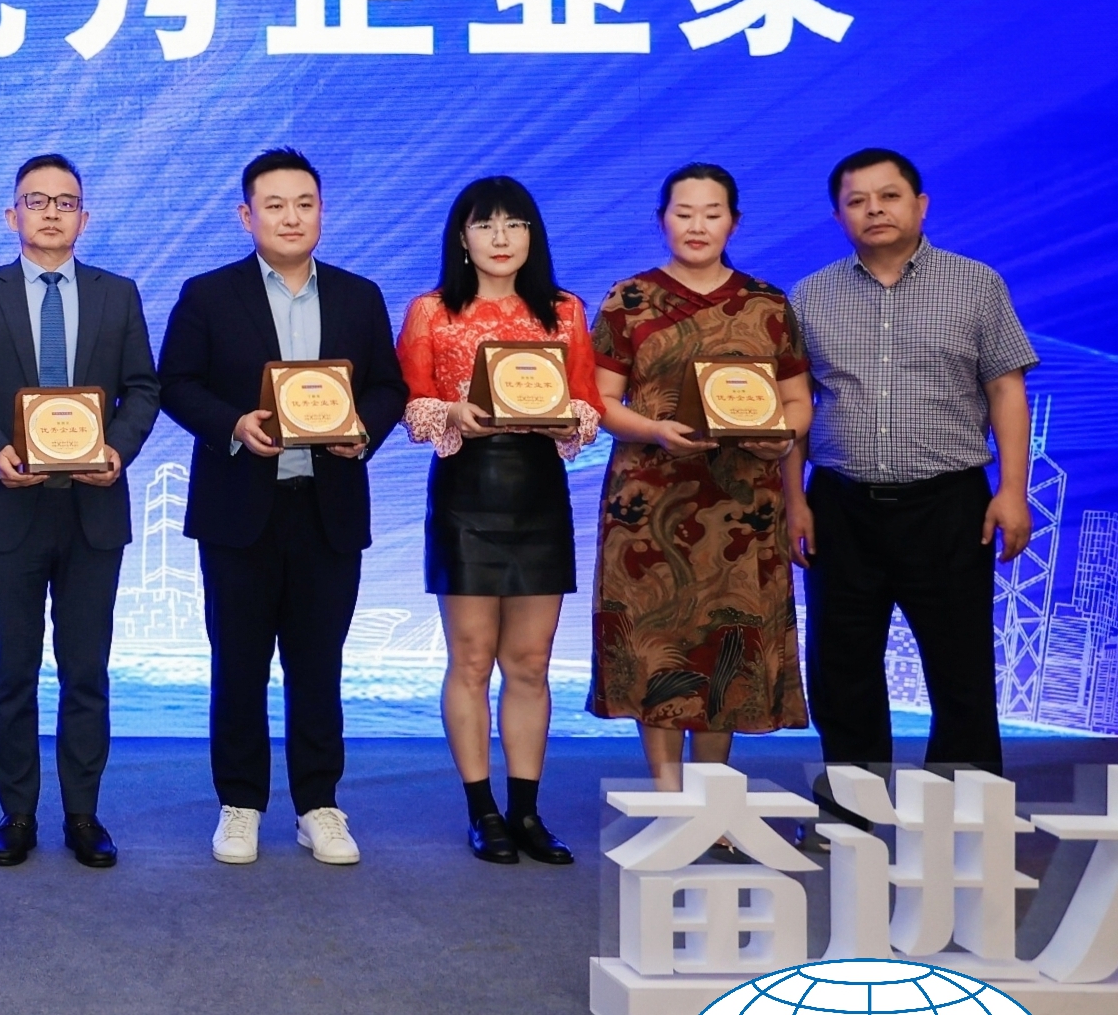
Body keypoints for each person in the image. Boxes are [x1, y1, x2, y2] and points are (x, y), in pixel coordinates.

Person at [158, 148, 402, 869]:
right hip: (239, 511)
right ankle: (240, 804)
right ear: (246, 216)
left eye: (304, 204)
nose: (290, 217)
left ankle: (318, 804)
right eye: (274, 205)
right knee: (237, 664)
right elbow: (176, 383)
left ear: (321, 212)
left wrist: (363, 429)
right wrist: (234, 423)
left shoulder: (358, 296)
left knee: (317, 665)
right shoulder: (208, 294)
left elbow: (388, 387)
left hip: (327, 508)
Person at [0, 154, 159, 870]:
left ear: (84, 217)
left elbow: (143, 389)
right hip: (7, 505)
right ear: (13, 215)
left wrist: (117, 450)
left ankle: (84, 814)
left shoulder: (118, 294)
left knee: (86, 671)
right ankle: (17, 814)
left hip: (94, 507)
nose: (52, 212)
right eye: (37, 201)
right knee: (11, 672)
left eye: (65, 202)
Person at [794, 147, 1035, 792]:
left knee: (960, 669)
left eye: (889, 196)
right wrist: (795, 502)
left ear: (920, 205)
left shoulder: (976, 284)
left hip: (948, 505)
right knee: (841, 669)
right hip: (842, 505)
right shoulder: (810, 296)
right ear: (839, 217)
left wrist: (1013, 491)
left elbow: (1006, 390)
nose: (874, 210)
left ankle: (961, 816)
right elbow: (795, 408)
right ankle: (853, 811)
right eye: (857, 201)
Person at [588, 162, 813, 802]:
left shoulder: (768, 304)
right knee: (657, 643)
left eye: (712, 213)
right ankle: (669, 801)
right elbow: (600, 401)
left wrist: (782, 435)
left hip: (743, 508)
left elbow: (798, 401)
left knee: (727, 648)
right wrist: (655, 430)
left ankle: (712, 802)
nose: (697, 225)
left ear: (733, 222)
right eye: (683, 213)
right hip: (649, 504)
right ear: (661, 220)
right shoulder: (629, 299)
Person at [393, 175, 598, 866]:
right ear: (462, 237)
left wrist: (570, 418)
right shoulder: (431, 312)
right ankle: (481, 811)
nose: (500, 237)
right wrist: (451, 411)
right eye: (485, 225)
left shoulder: (564, 311)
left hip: (539, 492)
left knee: (531, 663)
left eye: (514, 224)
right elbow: (412, 404)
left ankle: (526, 811)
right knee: (473, 658)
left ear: (532, 235)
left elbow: (588, 402)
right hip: (466, 491)